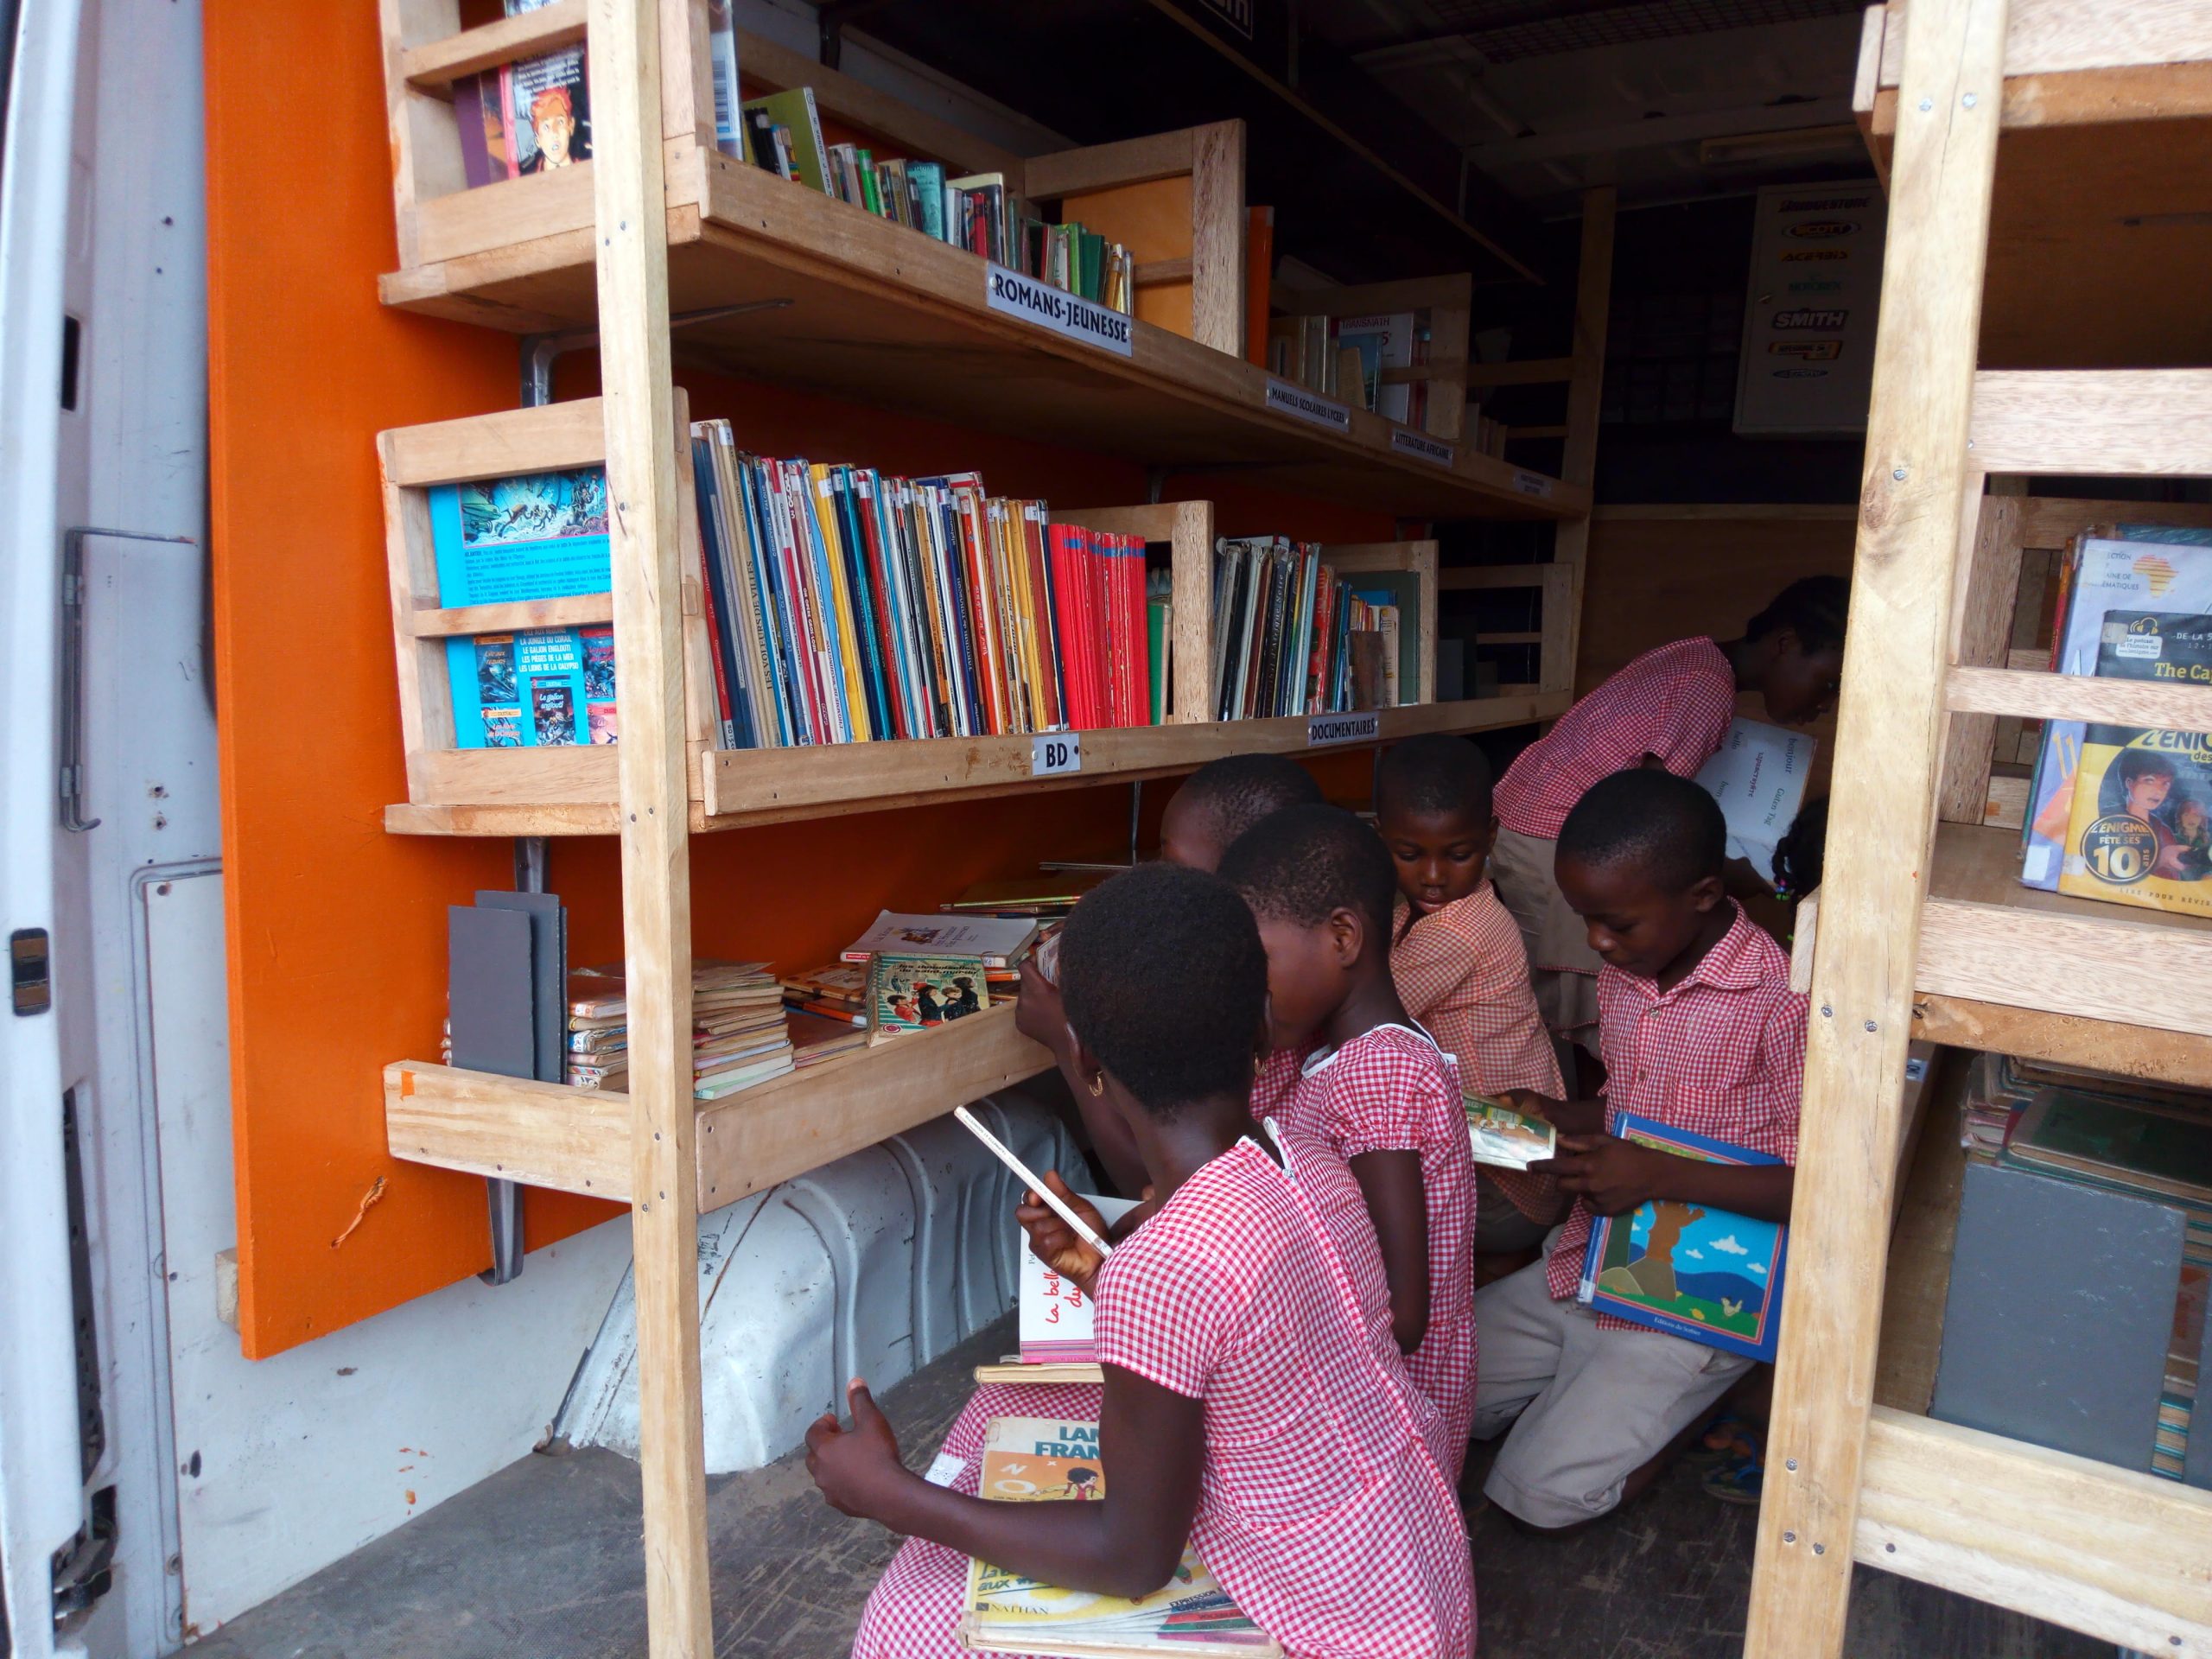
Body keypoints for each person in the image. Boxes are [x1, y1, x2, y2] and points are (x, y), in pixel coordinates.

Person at [809, 863, 1473, 1658]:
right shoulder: (1302, 1156)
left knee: (911, 1619)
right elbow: (1247, 1327)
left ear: (1085, 1058)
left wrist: (891, 1496)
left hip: (1335, 1627)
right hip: (1417, 1576)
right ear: (1261, 1027)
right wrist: (1107, 1260)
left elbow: (1131, 1557)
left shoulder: (1167, 1267)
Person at [1472, 768, 1807, 1532]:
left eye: (1616, 923)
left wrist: (1653, 1174)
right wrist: (1558, 1115)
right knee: (1425, 1391)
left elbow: (1819, 1188)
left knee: (1544, 1496)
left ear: (1701, 895)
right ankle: (1587, 1395)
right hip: (1588, 1258)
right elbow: (1638, 1104)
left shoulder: (1782, 1001)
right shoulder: (1632, 971)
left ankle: (1719, 1389)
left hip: (1692, 1295)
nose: (1595, 942)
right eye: (1584, 917)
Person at [1217, 804, 1478, 1478]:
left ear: (1342, 938)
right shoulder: (1331, 1051)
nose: (1243, 989)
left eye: (1258, 962)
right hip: (1372, 1402)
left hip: (1388, 1429)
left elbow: (1403, 1315)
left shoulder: (1379, 1074)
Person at [1487, 575, 1847, 1055]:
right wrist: (1745, 875)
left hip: (1523, 824)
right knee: (1587, 1016)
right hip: (1555, 842)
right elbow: (1650, 827)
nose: (1826, 704)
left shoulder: (1692, 656)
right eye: (1829, 683)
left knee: (1554, 997)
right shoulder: (1707, 690)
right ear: (1785, 645)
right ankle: (1594, 1117)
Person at [1015, 750, 1323, 1195]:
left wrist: (1067, 1042)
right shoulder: (1268, 979)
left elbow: (1166, 1187)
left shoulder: (1249, 999)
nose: (1156, 880)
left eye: (1174, 867)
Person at [1376, 734, 1567, 1256]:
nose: (1433, 877)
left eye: (1458, 855)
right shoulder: (1419, 918)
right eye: (1410, 855)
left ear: (1490, 837)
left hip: (1508, 1191)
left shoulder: (1458, 931)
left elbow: (1363, 1017)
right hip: (1513, 1157)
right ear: (1381, 836)